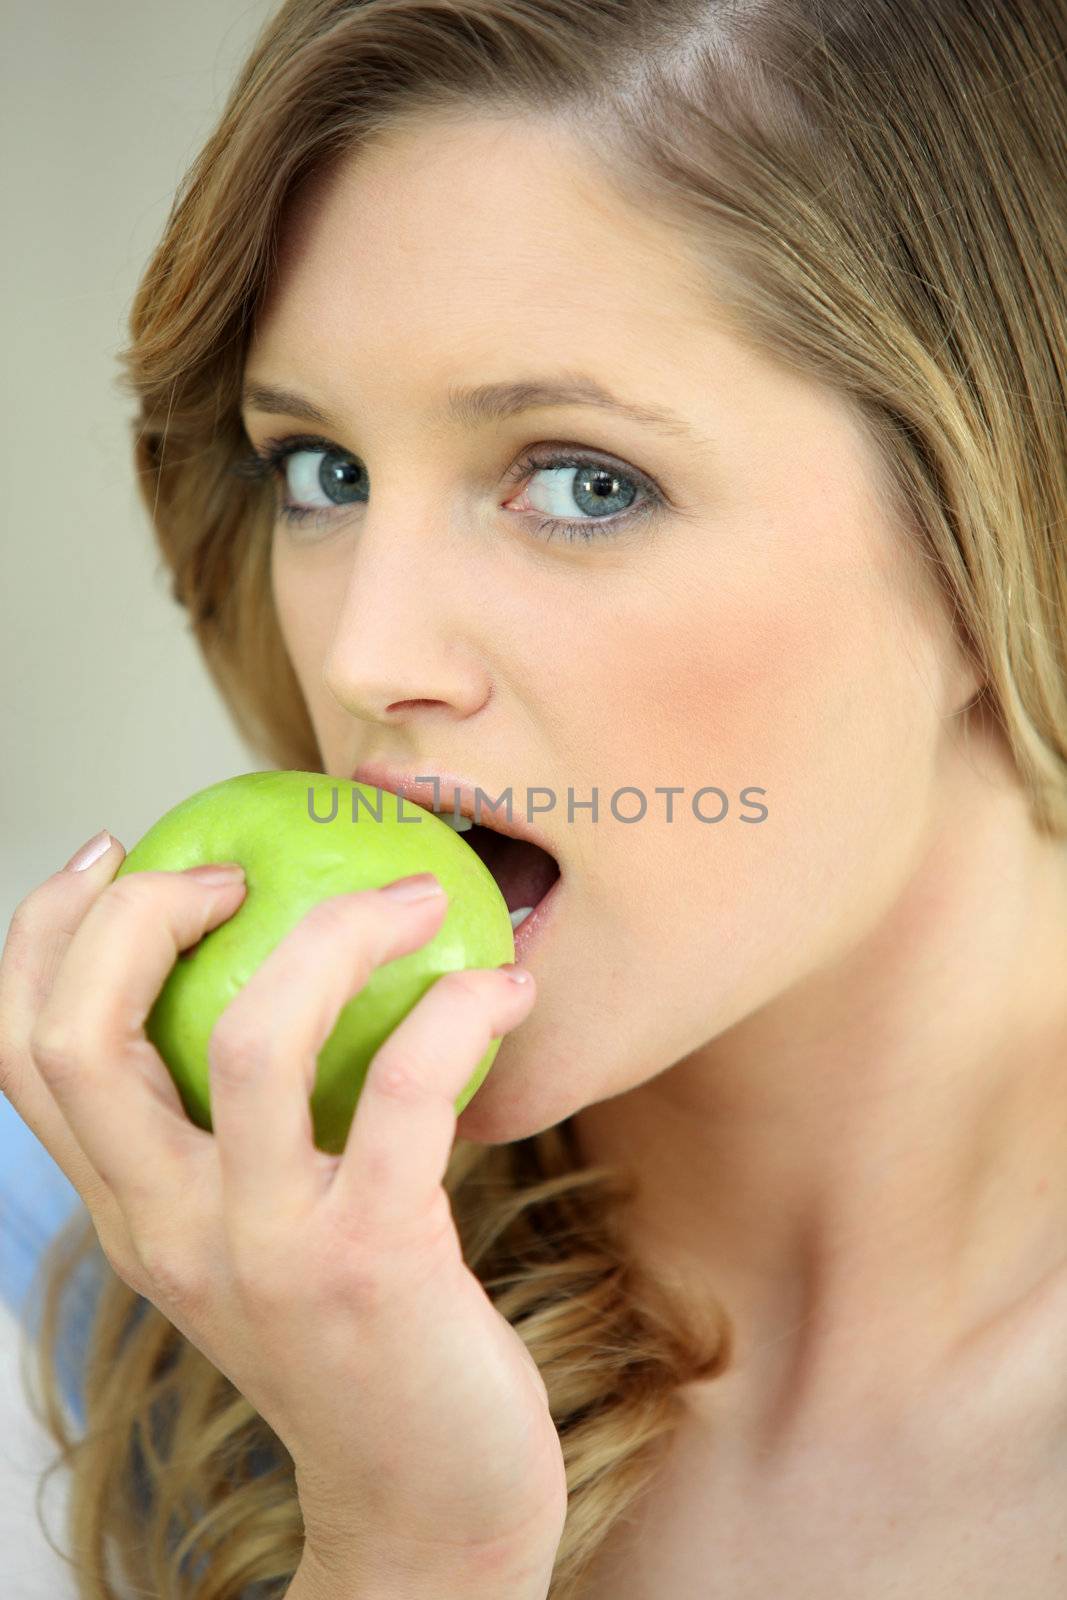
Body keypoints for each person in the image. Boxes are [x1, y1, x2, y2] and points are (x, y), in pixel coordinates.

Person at [2, 0, 1066, 1594]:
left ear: (1002, 523)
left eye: (582, 482)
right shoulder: (112, 1258)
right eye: (322, 473)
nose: (364, 653)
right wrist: (413, 1547)